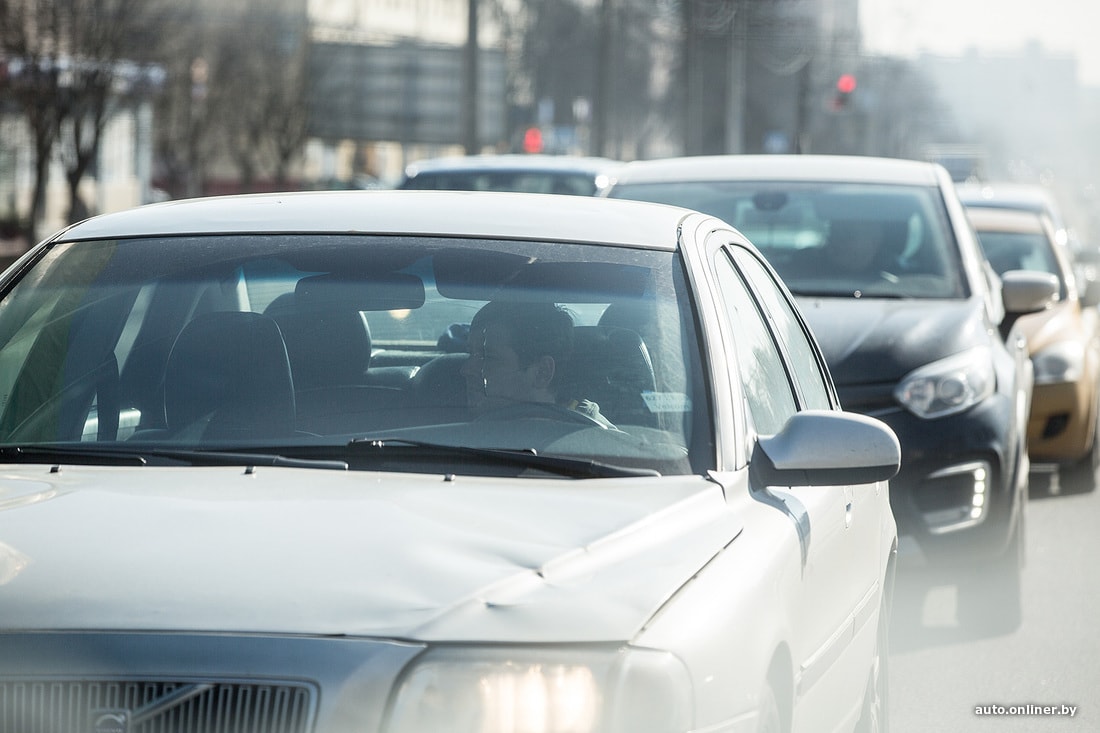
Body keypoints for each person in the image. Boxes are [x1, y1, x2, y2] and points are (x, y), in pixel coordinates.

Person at [461, 300, 614, 427]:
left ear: (542, 372)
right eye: (471, 354)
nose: (466, 370)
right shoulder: (442, 439)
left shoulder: (598, 444)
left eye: (488, 358)